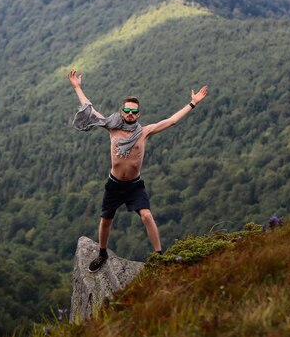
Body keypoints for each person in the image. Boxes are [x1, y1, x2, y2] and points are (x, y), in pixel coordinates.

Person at [68, 69, 208, 272]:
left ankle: (159, 256)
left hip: (134, 185)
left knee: (147, 216)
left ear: (139, 114)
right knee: (106, 219)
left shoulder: (144, 132)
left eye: (134, 112)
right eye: (127, 111)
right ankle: (102, 253)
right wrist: (77, 87)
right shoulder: (112, 127)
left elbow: (171, 121)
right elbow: (89, 108)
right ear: (122, 111)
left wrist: (193, 103)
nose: (130, 114)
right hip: (114, 184)